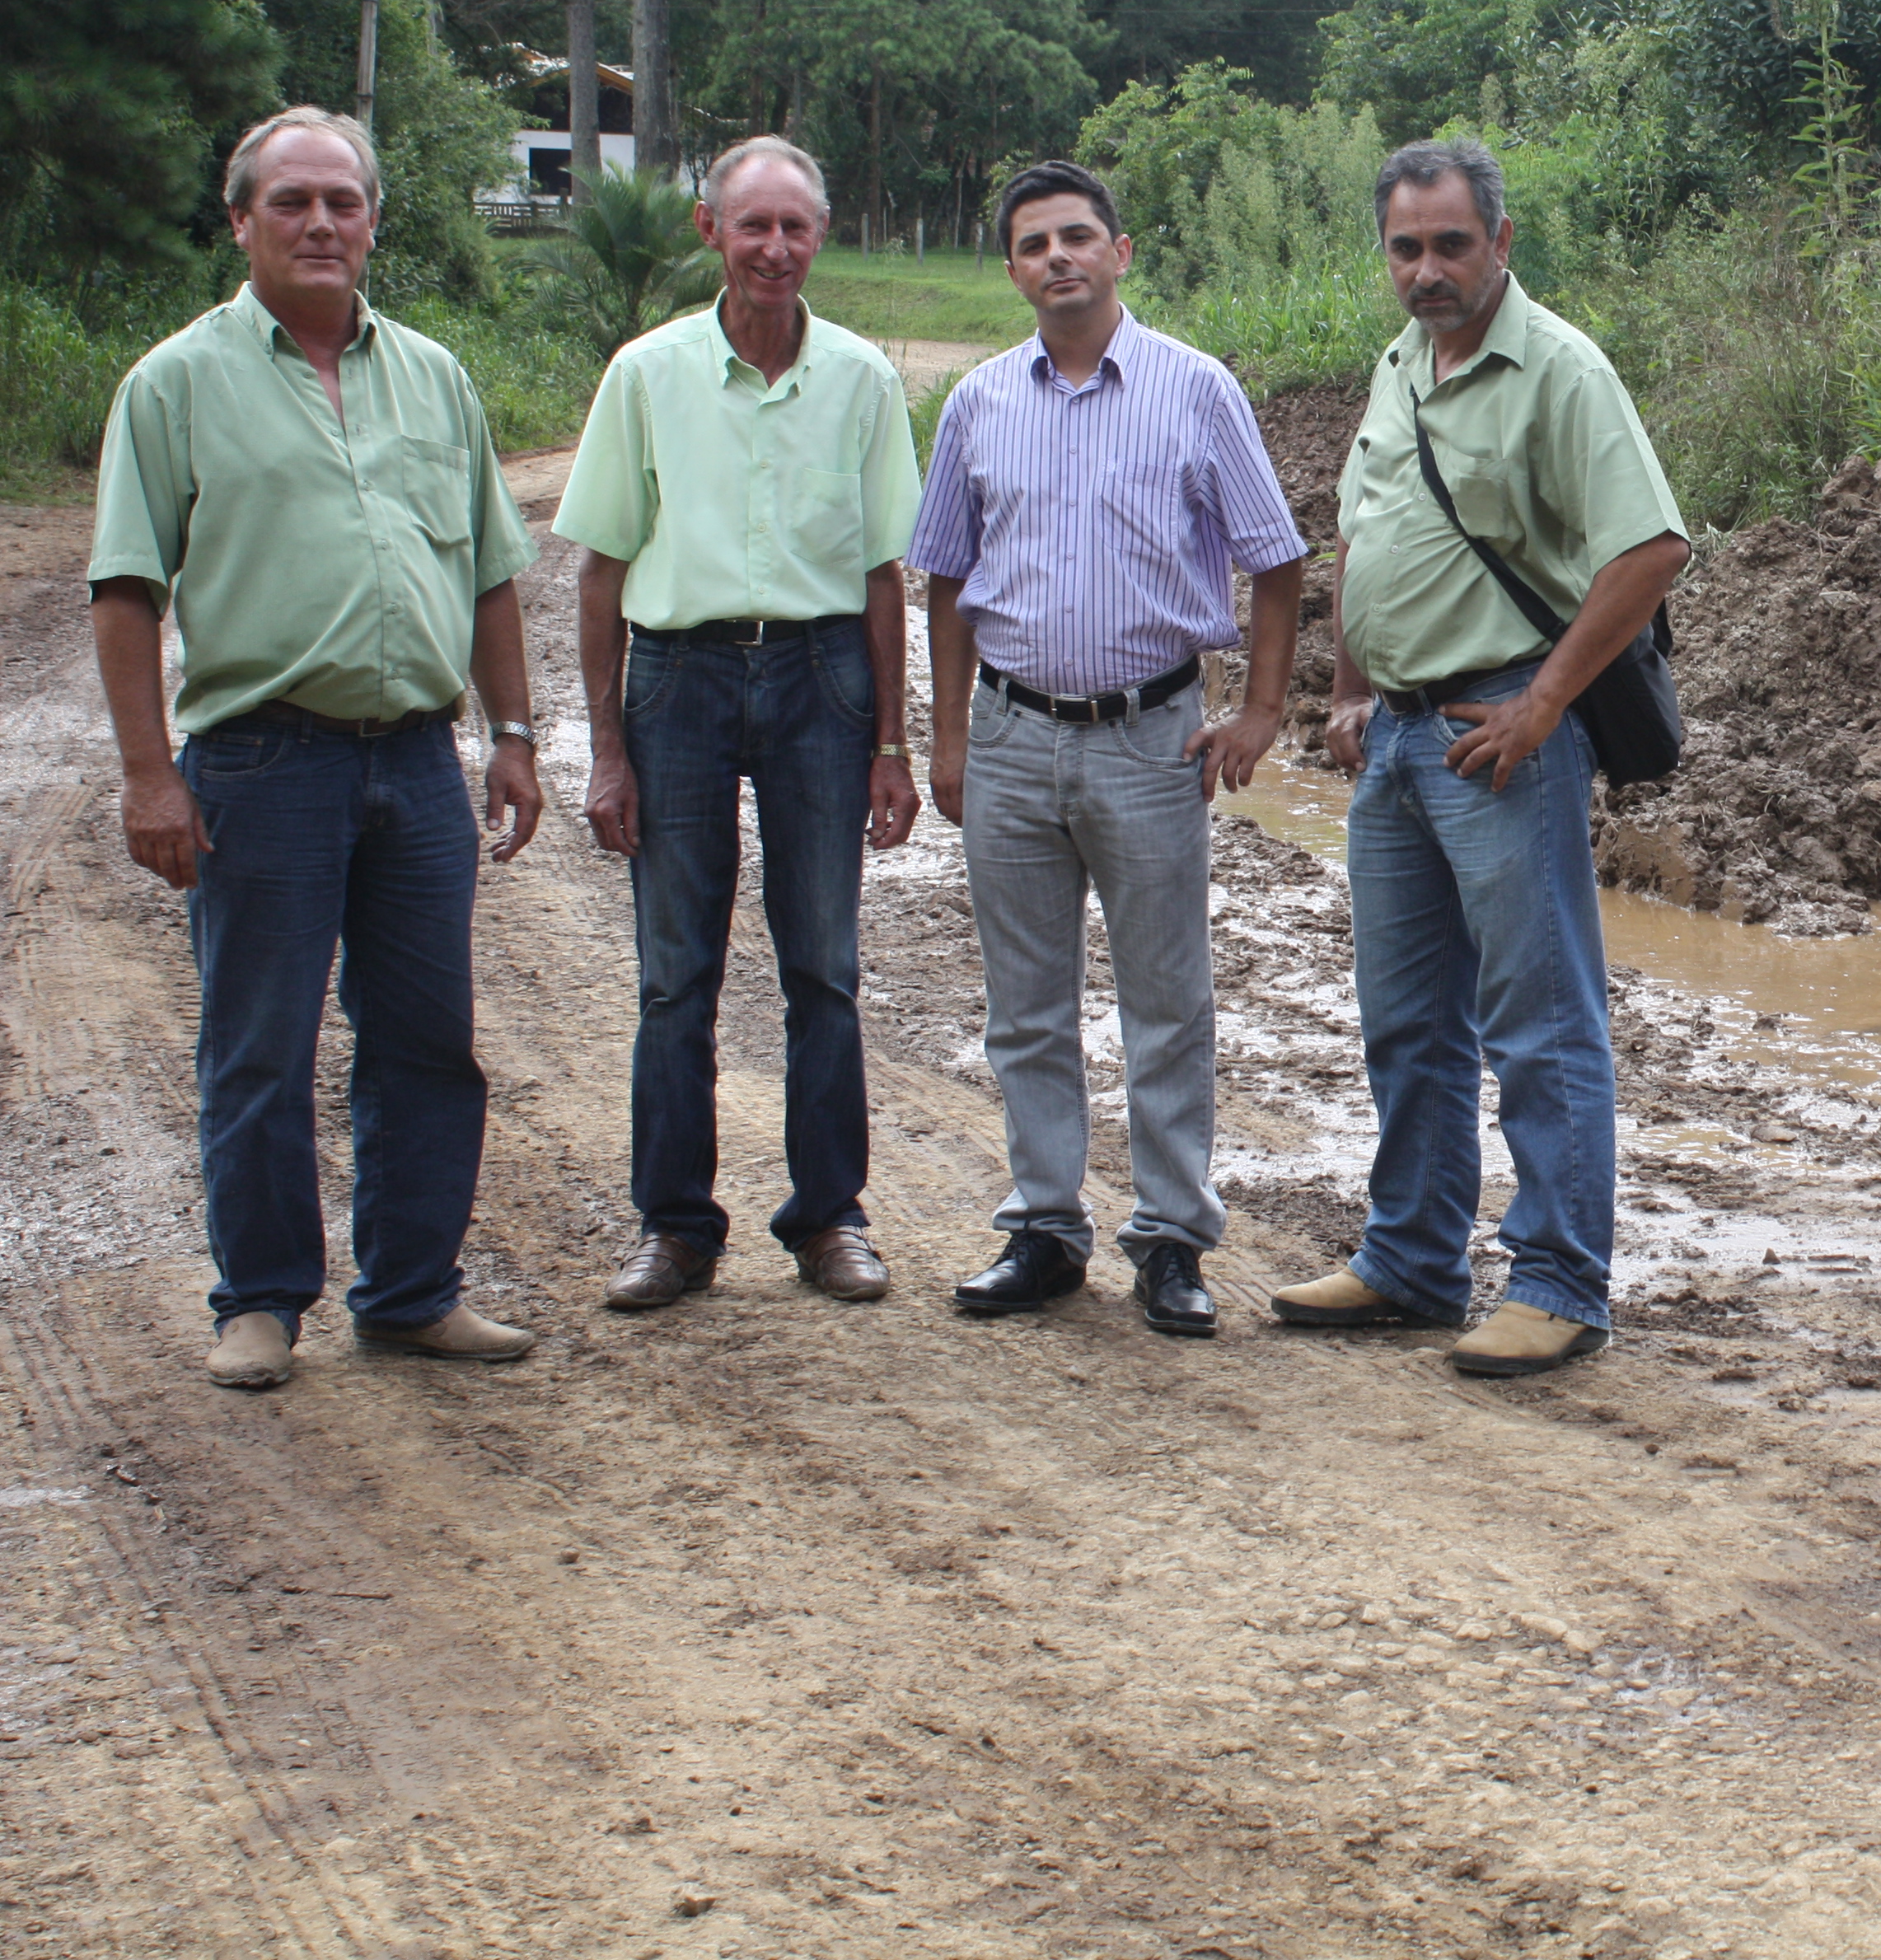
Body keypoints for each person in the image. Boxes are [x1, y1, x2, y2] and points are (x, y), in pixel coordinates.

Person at [88, 105, 547, 1390]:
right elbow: (127, 590)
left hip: (414, 760)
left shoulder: (436, 377)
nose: (320, 223)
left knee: (425, 1042)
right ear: (241, 222)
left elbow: (492, 578)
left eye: (342, 201)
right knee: (260, 1043)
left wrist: (511, 736)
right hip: (258, 763)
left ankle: (409, 1293)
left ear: (374, 219)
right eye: (290, 202)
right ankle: (261, 1302)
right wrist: (146, 773)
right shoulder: (175, 383)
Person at [1271, 138, 1687, 1378]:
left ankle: (1558, 1281)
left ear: (1501, 242)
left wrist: (1544, 704)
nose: (1428, 269)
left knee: (1539, 1021)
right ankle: (1411, 1261)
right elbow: (1365, 528)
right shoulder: (1400, 366)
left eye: (1452, 244)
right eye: (1407, 248)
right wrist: (1347, 687)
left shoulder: (1560, 368)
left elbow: (1650, 550)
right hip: (1396, 740)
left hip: (1496, 733)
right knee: (1406, 1021)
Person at [911, 161, 1306, 1331]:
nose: (1058, 259)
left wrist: (1264, 709)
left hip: (1150, 739)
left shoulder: (1195, 389)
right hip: (1012, 735)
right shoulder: (978, 402)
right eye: (1035, 245)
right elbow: (942, 580)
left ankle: (1173, 1239)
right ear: (1013, 271)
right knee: (1024, 1004)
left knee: (1167, 1002)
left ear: (1121, 252)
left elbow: (1276, 559)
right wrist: (946, 739)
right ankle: (1043, 1227)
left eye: (1078, 237)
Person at [557, 135, 924, 1312]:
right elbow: (602, 572)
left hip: (822, 683)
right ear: (711, 231)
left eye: (796, 228)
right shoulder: (648, 373)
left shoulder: (864, 380)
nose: (775, 249)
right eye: (752, 226)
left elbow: (883, 577)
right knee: (677, 975)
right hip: (681, 684)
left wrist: (891, 744)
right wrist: (607, 749)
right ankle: (675, 1227)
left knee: (824, 966)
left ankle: (829, 1220)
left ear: (821, 239)